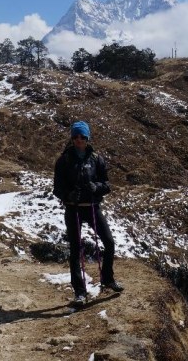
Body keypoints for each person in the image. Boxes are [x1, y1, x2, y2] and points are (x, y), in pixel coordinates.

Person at [53, 120, 124, 306]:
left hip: (92, 207)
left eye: (82, 136)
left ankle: (108, 279)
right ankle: (80, 292)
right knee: (76, 250)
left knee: (108, 242)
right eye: (75, 136)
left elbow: (107, 185)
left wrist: (96, 187)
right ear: (72, 138)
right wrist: (68, 194)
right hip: (73, 208)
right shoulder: (64, 160)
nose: (79, 140)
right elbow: (57, 188)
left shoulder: (96, 159)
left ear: (87, 138)